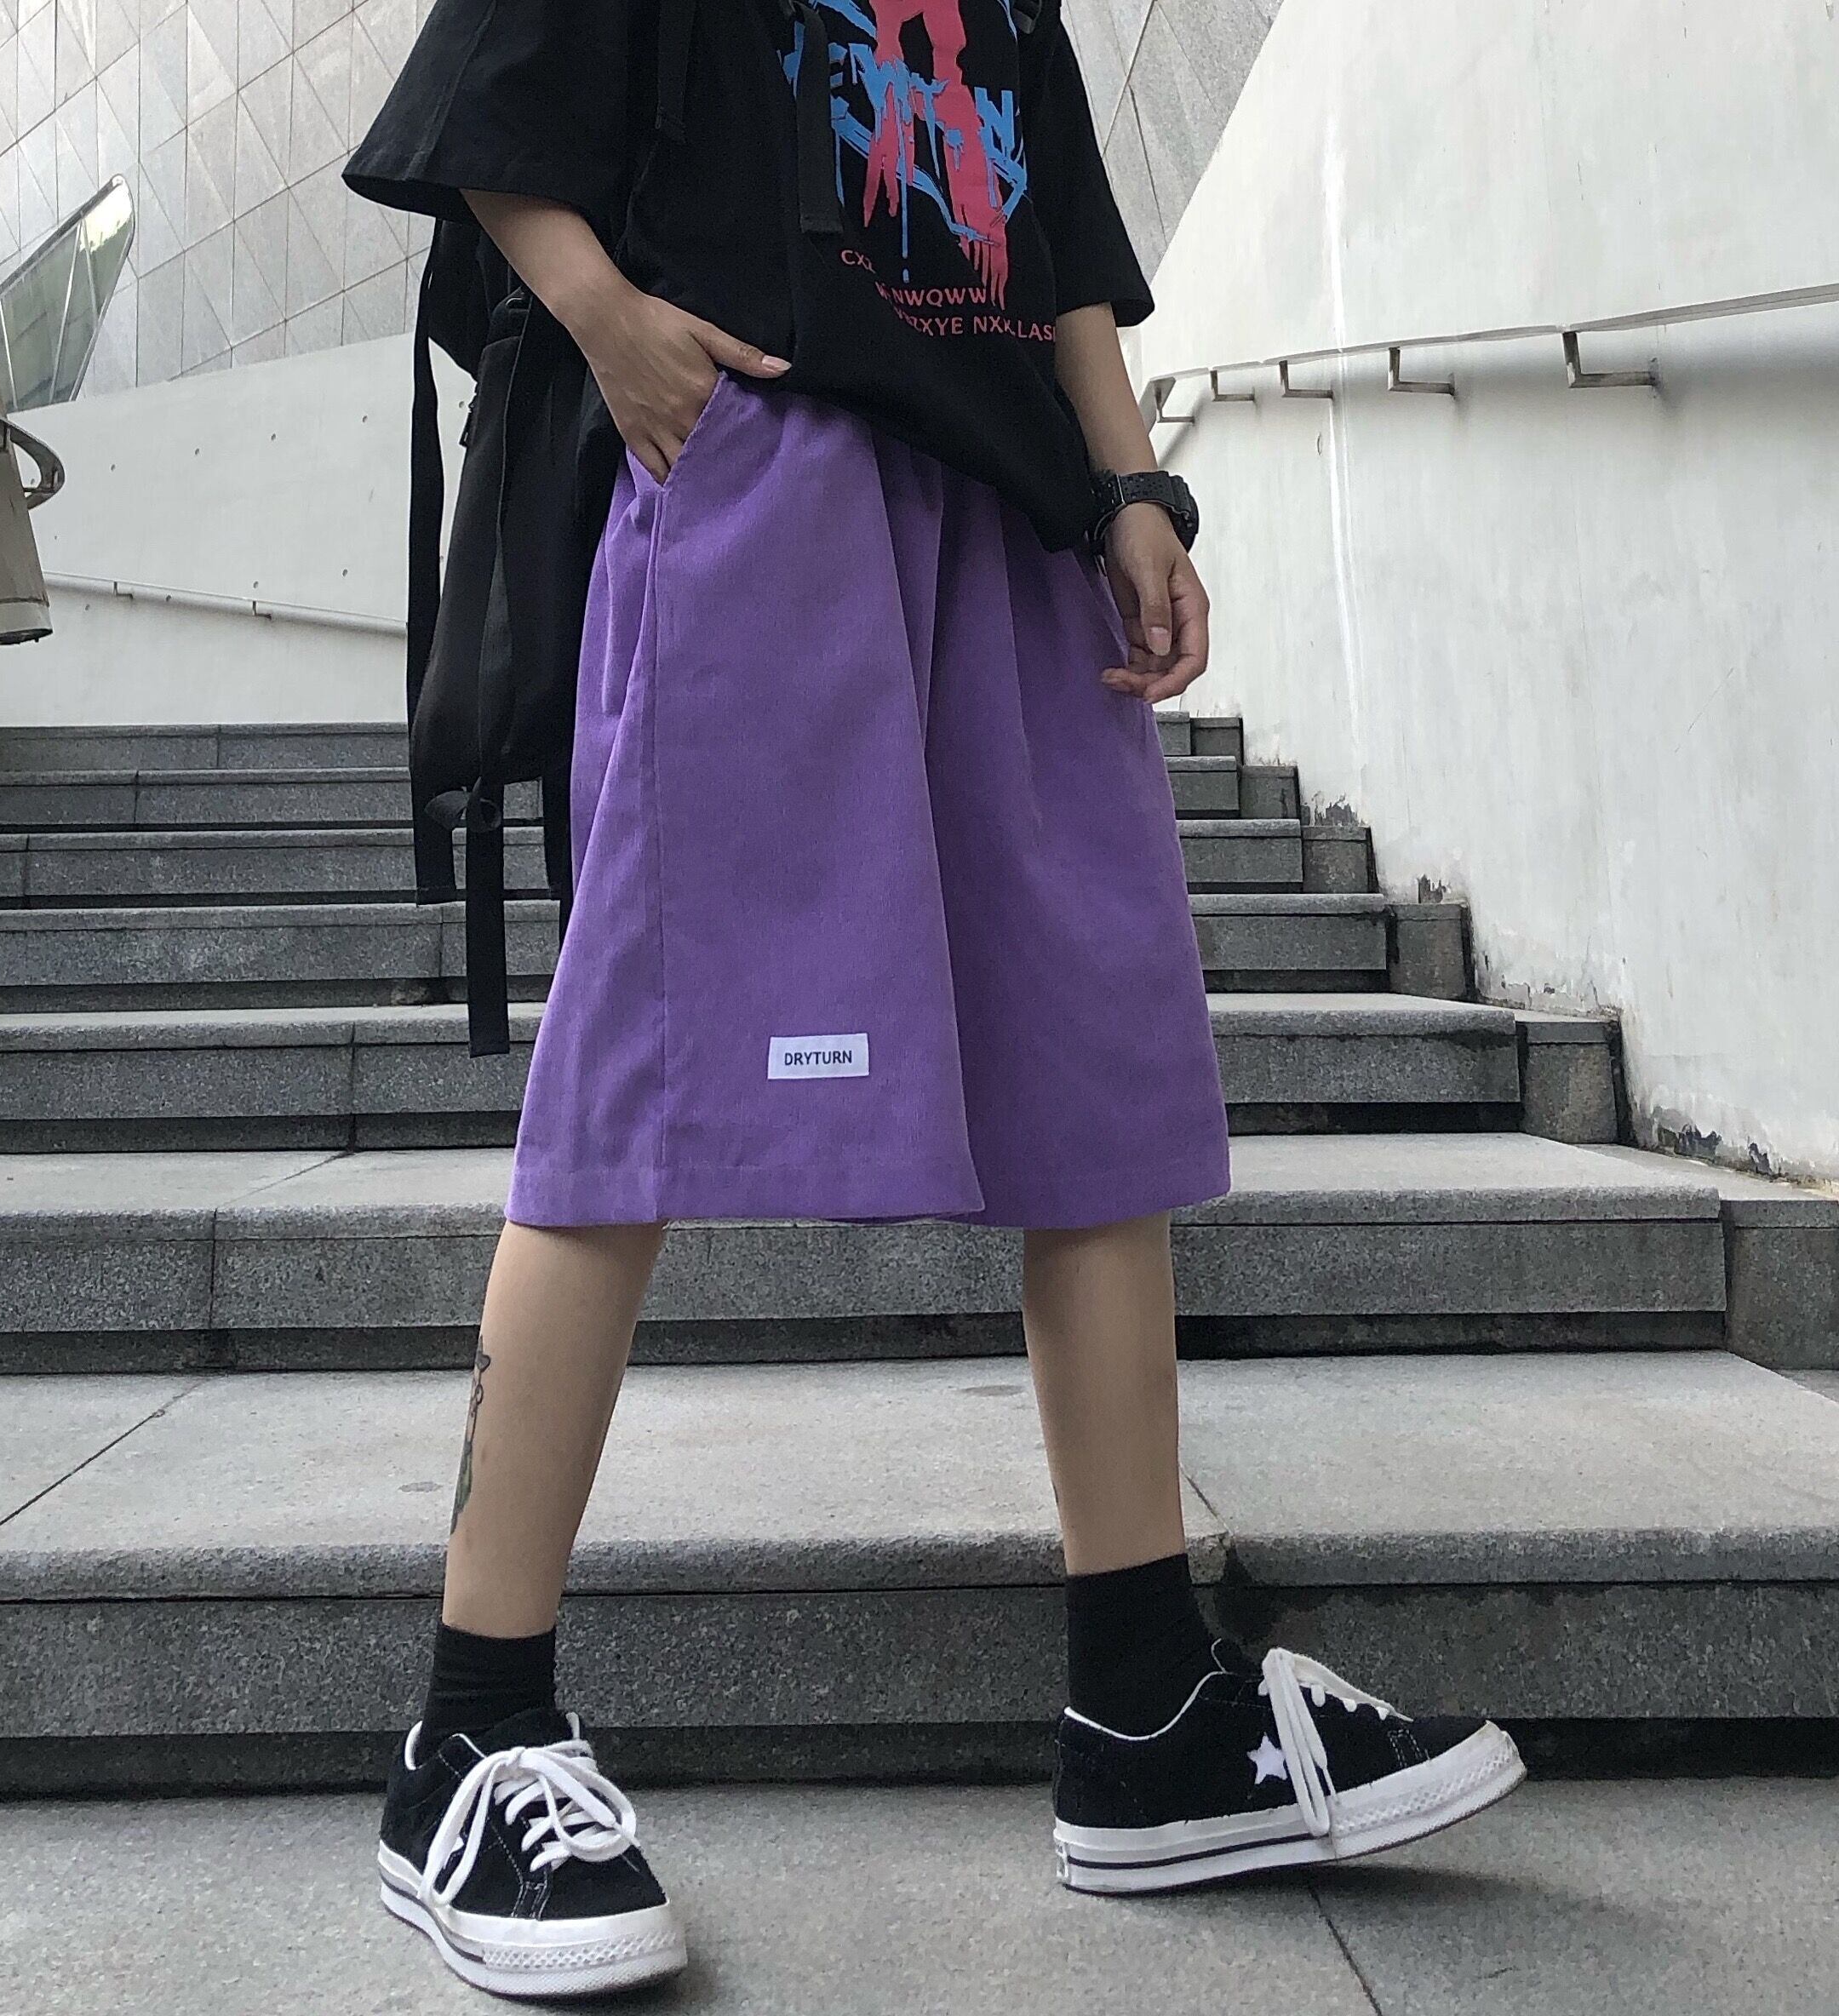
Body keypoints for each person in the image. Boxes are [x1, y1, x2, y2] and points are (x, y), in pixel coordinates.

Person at [344, 0, 1525, 1997]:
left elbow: (1053, 233)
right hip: (764, 472)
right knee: (629, 1092)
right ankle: (469, 1725)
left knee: (1096, 1079)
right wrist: (610, 324)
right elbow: (481, 106)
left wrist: (1132, 485)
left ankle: (1144, 1705)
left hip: (1015, 515)